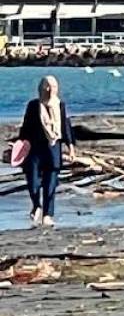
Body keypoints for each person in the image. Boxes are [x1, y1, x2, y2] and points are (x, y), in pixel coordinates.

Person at [18, 76, 75, 227]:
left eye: (54, 86)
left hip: (53, 148)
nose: (50, 90)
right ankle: (36, 204)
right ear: (41, 88)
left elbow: (65, 127)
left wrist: (71, 148)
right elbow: (25, 127)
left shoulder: (60, 105)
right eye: (47, 86)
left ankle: (48, 215)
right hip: (34, 149)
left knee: (50, 185)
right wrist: (18, 144)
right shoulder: (33, 105)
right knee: (33, 182)